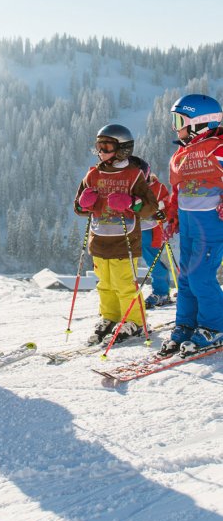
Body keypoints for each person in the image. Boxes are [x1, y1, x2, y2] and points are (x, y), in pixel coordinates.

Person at [74, 124, 158, 345]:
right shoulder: (93, 174)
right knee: (104, 284)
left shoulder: (133, 175)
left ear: (123, 149)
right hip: (99, 240)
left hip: (124, 242)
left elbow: (150, 207)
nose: (101, 151)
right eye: (98, 146)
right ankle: (110, 316)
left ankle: (135, 322)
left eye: (107, 146)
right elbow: (79, 207)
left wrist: (131, 203)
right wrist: (84, 204)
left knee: (124, 284)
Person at [160, 94, 223, 356]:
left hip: (211, 227)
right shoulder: (180, 155)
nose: (176, 127)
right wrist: (172, 216)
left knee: (200, 277)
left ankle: (214, 327)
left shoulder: (218, 149)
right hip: (187, 226)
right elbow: (178, 191)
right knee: (185, 277)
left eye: (180, 120)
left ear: (201, 123)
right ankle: (187, 322)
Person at [129, 157, 172, 309]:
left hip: (152, 229)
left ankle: (160, 292)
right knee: (131, 261)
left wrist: (162, 213)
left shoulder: (157, 187)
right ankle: (128, 294)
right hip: (133, 228)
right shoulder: (131, 187)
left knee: (152, 260)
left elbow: (168, 204)